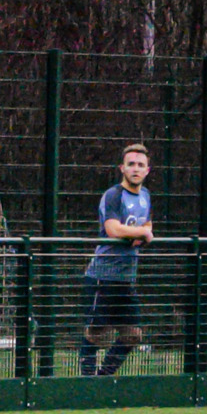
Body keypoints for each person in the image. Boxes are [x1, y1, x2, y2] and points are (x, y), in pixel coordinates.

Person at [80, 144, 153, 376]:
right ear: (122, 168)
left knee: (133, 334)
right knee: (97, 333)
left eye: (140, 165)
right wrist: (140, 233)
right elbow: (112, 229)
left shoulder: (146, 196)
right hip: (103, 276)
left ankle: (104, 376)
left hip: (126, 278)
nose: (135, 169)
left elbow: (147, 225)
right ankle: (87, 382)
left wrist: (141, 235)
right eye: (130, 164)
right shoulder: (113, 195)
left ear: (147, 170)